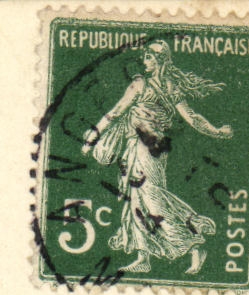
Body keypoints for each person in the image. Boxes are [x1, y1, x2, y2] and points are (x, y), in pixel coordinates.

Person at [81, 40, 233, 275]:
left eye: (150, 58)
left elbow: (191, 117)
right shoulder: (144, 84)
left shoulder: (160, 86)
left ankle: (194, 243)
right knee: (136, 199)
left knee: (152, 199)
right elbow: (117, 111)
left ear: (161, 60)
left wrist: (215, 131)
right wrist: (95, 133)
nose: (145, 61)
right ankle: (144, 257)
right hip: (136, 146)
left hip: (150, 149)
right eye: (145, 57)